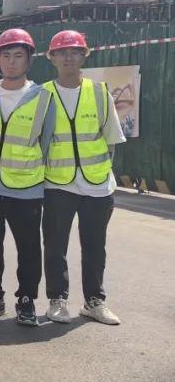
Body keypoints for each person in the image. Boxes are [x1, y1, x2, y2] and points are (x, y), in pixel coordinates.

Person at [41, 30, 125, 325]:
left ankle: (94, 301)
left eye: (75, 51)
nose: (68, 57)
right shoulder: (42, 95)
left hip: (97, 185)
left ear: (84, 56)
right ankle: (57, 300)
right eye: (61, 52)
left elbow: (111, 139)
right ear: (52, 58)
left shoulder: (100, 93)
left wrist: (103, 176)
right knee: (55, 246)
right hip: (57, 183)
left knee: (95, 246)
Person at [0, 29, 52, 327]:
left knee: (28, 248)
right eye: (6, 55)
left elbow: (48, 142)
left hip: (26, 187)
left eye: (19, 56)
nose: (12, 61)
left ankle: (26, 300)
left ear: (29, 60)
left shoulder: (43, 97)